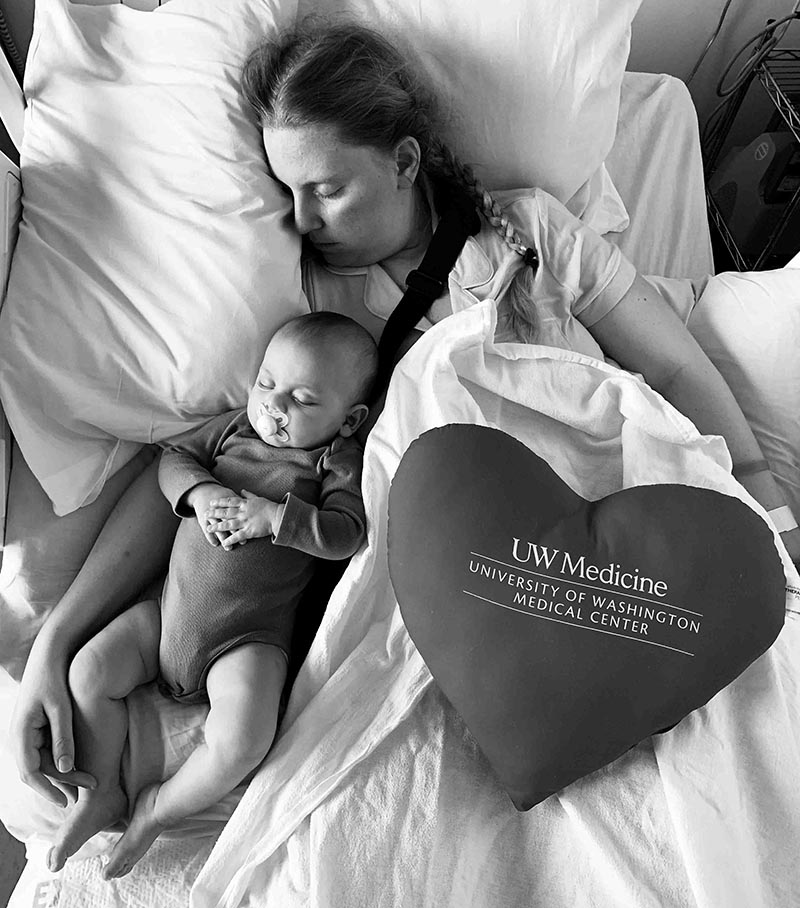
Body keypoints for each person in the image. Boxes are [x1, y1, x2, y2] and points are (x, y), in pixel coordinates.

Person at [10, 17, 799, 826]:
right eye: (288, 193)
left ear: (406, 162)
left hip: (608, 533)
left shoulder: (526, 232)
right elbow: (203, 464)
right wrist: (55, 642)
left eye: (326, 189)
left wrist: (767, 503)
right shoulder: (306, 310)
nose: (304, 220)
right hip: (447, 600)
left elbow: (667, 367)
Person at [44, 311, 376, 878]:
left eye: (303, 399)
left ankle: (158, 808)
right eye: (267, 384)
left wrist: (277, 518)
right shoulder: (233, 430)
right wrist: (198, 493)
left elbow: (347, 534)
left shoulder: (333, 464)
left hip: (249, 640)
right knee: (87, 673)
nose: (275, 406)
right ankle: (100, 791)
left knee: (243, 742)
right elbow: (173, 460)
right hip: (167, 620)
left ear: (350, 421)